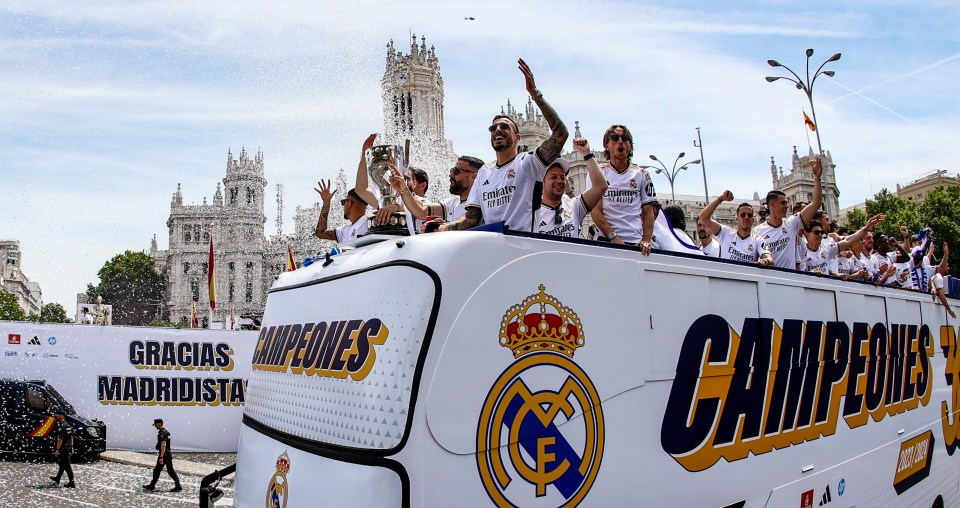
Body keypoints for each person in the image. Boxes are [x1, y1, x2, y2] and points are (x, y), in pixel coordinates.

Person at [438, 59, 568, 233]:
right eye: (493, 128)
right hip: (494, 248)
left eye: (504, 126)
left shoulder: (528, 163)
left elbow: (560, 134)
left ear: (517, 137)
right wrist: (444, 227)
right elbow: (472, 219)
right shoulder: (484, 171)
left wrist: (535, 94)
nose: (497, 130)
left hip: (524, 246)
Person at [589, 124, 658, 255]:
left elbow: (649, 212)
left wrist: (646, 239)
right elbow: (596, 212)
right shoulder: (598, 172)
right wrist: (614, 238)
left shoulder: (642, 174)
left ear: (630, 145)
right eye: (614, 137)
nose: (620, 141)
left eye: (625, 138)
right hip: (606, 240)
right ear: (606, 146)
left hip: (635, 243)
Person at [754, 158, 823, 269]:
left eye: (786, 203)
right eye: (783, 203)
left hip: (789, 281)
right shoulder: (757, 232)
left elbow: (815, 204)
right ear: (772, 204)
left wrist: (817, 179)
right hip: (769, 282)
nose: (787, 206)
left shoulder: (792, 224)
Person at [390, 155, 484, 231]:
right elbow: (422, 212)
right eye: (451, 170)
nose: (450, 175)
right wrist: (403, 190)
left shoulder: (484, 200)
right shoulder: (452, 203)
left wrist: (442, 227)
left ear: (473, 177)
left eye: (456, 171)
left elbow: (469, 220)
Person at [535, 138, 606, 238]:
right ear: (543, 181)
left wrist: (587, 154)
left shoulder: (574, 207)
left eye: (562, 177)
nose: (559, 181)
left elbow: (600, 186)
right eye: (553, 177)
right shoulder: (533, 214)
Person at [698, 191, 773, 266]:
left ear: (753, 220)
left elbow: (769, 259)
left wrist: (765, 261)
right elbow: (703, 217)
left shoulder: (758, 241)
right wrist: (721, 198)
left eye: (749, 215)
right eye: (743, 215)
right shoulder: (726, 233)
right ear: (737, 219)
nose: (746, 217)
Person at [803, 213, 883, 276]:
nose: (820, 235)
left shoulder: (827, 249)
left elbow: (849, 240)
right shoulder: (801, 251)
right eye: (817, 232)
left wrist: (866, 228)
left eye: (821, 232)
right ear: (807, 234)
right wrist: (810, 273)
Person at [143, 418, 182, 492]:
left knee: (157, 471)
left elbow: (163, 445)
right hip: (168, 454)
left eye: (155, 424)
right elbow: (168, 444)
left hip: (164, 455)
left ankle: (152, 486)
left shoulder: (162, 433)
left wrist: (161, 457)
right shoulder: (167, 432)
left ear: (159, 424)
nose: (155, 426)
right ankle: (178, 485)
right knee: (170, 471)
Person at [49, 411, 75, 488]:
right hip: (68, 447)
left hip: (64, 448)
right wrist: (71, 446)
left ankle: (71, 482)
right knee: (62, 464)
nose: (57, 416)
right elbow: (71, 437)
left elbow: (60, 439)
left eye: (58, 415)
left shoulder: (61, 426)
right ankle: (58, 478)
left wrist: (57, 449)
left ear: (62, 416)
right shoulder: (68, 425)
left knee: (67, 465)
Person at [931, 242, 957, 318]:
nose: (948, 268)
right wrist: (949, 310)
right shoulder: (938, 276)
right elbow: (941, 294)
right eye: (947, 265)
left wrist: (946, 255)